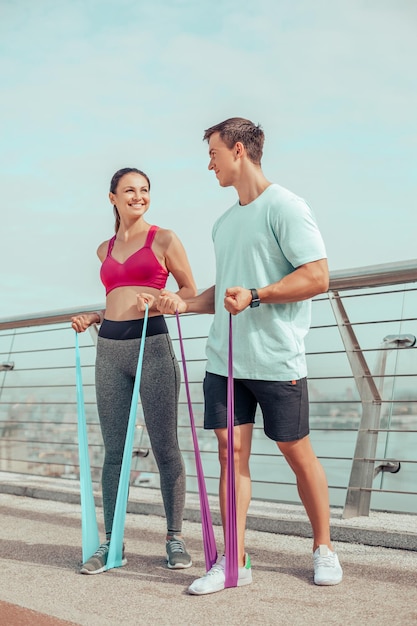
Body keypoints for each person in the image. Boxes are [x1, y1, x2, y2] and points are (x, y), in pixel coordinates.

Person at [155, 117, 343, 594]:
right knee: (228, 452)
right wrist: (184, 303)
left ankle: (324, 547)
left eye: (213, 154)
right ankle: (233, 560)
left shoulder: (286, 206)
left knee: (296, 454)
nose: (209, 165)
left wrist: (258, 295)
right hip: (225, 359)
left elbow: (317, 276)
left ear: (238, 150)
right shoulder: (224, 223)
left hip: (276, 359)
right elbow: (225, 291)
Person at [71, 167, 197, 574]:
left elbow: (189, 291)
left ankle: (174, 538)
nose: (138, 196)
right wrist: (95, 314)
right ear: (113, 197)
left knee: (165, 447)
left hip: (153, 347)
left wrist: (169, 300)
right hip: (109, 350)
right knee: (114, 453)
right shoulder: (102, 250)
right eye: (129, 190)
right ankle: (112, 544)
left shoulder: (163, 238)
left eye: (144, 190)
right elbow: (115, 296)